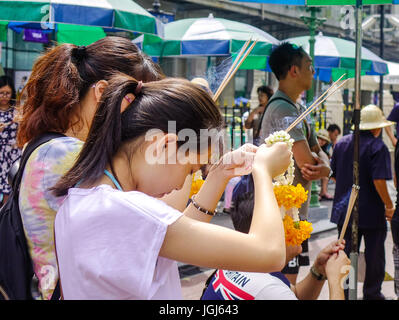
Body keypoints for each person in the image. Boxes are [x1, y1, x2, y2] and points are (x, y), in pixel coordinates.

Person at [52, 74, 291, 300]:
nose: (180, 183)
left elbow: (176, 235)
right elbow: (269, 252)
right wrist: (262, 170)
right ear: (164, 146)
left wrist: (220, 174)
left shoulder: (88, 197)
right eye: (189, 170)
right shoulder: (124, 210)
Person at [16, 36, 164, 300]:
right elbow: (148, 229)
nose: (142, 118)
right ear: (102, 92)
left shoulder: (54, 145)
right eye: (139, 105)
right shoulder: (67, 154)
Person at [258, 42, 331, 285]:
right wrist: (323, 165)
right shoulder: (281, 109)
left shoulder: (297, 108)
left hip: (293, 215)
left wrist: (326, 166)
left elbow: (320, 153)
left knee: (288, 278)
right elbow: (307, 163)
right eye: (309, 66)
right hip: (281, 216)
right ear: (294, 71)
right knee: (282, 283)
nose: (313, 72)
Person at [201, 192, 350, 300]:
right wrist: (336, 282)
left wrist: (318, 271)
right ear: (270, 234)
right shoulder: (269, 288)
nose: (300, 227)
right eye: (293, 222)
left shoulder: (240, 265)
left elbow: (294, 295)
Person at [330, 104, 394, 300]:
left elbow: (334, 175)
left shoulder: (341, 144)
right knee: (375, 256)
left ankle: (347, 293)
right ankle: (372, 294)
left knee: (345, 255)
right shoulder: (378, 147)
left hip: (345, 209)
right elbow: (379, 180)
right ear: (376, 127)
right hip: (372, 211)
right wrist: (389, 205)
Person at [0, 75, 21, 205]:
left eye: (8, 93)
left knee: (10, 186)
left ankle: (5, 216)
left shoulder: (17, 112)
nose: (4, 96)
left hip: (12, 154)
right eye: (1, 93)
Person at [317, 129, 333, 201]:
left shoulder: (325, 151)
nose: (322, 141)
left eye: (324, 140)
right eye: (320, 139)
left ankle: (323, 192)